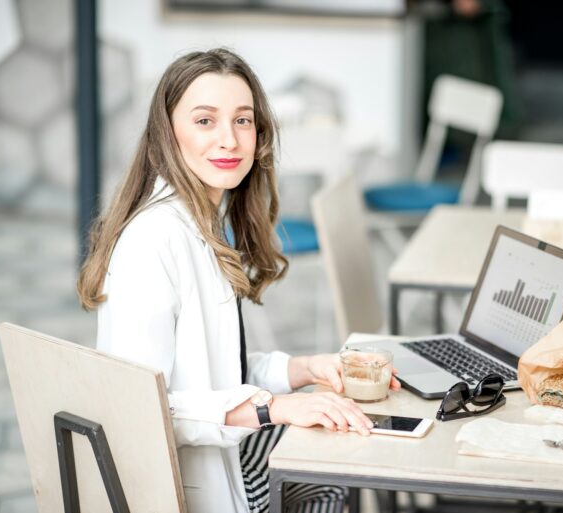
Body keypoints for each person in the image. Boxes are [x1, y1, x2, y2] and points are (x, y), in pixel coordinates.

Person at [76, 48, 400, 513]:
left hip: (217, 450)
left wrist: (307, 369)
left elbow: (218, 368)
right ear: (167, 134)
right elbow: (140, 408)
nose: (229, 139)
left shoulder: (201, 220)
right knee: (334, 474)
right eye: (205, 120)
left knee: (340, 450)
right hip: (180, 484)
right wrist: (273, 408)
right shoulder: (153, 241)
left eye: (242, 120)